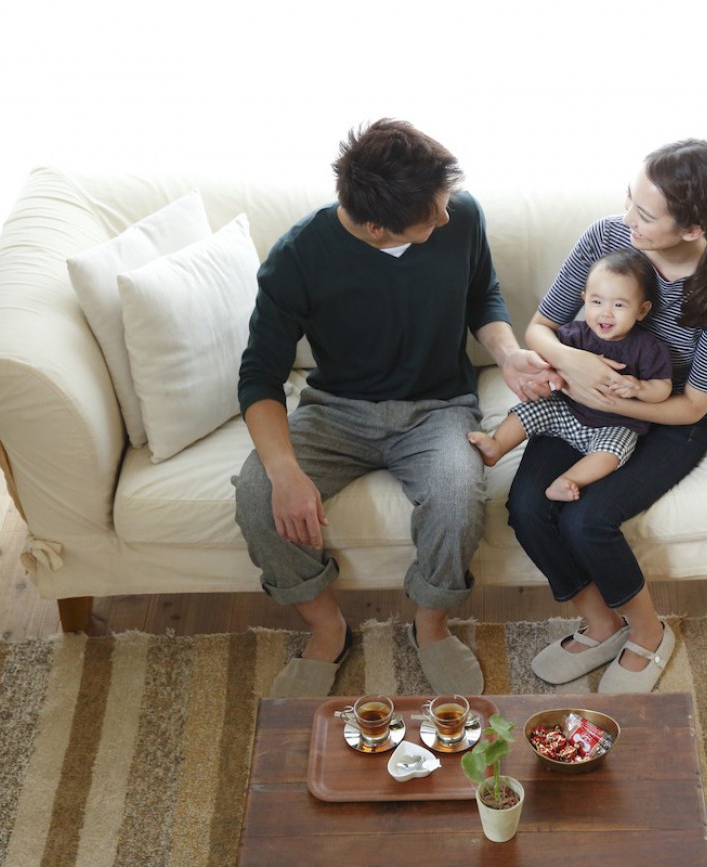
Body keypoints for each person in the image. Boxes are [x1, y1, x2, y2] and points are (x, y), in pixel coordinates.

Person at [234, 118, 553, 697]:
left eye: (445, 202)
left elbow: (482, 294)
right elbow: (259, 375)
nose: (447, 217)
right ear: (378, 228)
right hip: (336, 410)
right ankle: (328, 629)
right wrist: (284, 473)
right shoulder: (298, 256)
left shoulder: (462, 216)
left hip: (438, 407)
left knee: (459, 496)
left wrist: (507, 354)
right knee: (259, 493)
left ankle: (430, 627)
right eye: (433, 214)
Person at [508, 138, 707, 694]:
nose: (628, 220)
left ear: (692, 228)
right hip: (579, 397)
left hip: (672, 420)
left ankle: (648, 632)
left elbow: (694, 403)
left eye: (644, 214)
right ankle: (601, 625)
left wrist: (612, 400)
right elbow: (540, 327)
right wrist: (576, 366)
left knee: (586, 520)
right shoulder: (607, 238)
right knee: (526, 506)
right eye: (629, 201)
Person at [468, 247, 672, 502]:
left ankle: (569, 480)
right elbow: (548, 361)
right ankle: (497, 445)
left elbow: (663, 388)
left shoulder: (648, 348)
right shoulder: (573, 335)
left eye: (619, 305)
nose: (605, 313)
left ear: (641, 311)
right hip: (567, 410)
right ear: (584, 298)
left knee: (614, 452)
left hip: (616, 423)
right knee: (532, 409)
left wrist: (639, 389)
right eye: (597, 302)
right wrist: (546, 374)